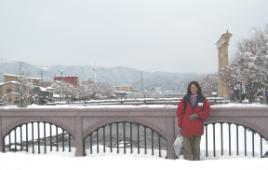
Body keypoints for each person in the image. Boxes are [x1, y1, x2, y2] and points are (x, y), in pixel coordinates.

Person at [176, 81, 211, 160]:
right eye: (191, 87)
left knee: (196, 150)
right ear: (189, 89)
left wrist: (198, 115)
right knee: (187, 151)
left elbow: (207, 111)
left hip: (197, 128)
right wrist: (181, 125)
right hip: (186, 128)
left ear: (198, 88)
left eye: (195, 87)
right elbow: (180, 112)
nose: (193, 89)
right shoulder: (185, 99)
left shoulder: (202, 99)